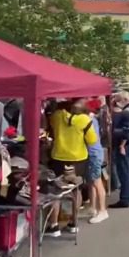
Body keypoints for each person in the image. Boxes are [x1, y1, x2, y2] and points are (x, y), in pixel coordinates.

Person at [46, 98, 97, 236]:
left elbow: (50, 130)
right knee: (76, 190)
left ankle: (54, 225)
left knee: (56, 191)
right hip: (79, 159)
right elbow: (92, 140)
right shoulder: (85, 120)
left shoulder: (56, 116)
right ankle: (73, 222)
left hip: (58, 158)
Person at [110, 92, 129, 209]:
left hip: (125, 145)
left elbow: (126, 131)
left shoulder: (125, 113)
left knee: (124, 172)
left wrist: (122, 145)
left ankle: (125, 198)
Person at [83, 98, 109, 224]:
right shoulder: (92, 119)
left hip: (93, 153)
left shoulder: (89, 120)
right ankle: (93, 207)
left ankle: (102, 210)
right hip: (93, 153)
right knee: (91, 181)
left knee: (96, 181)